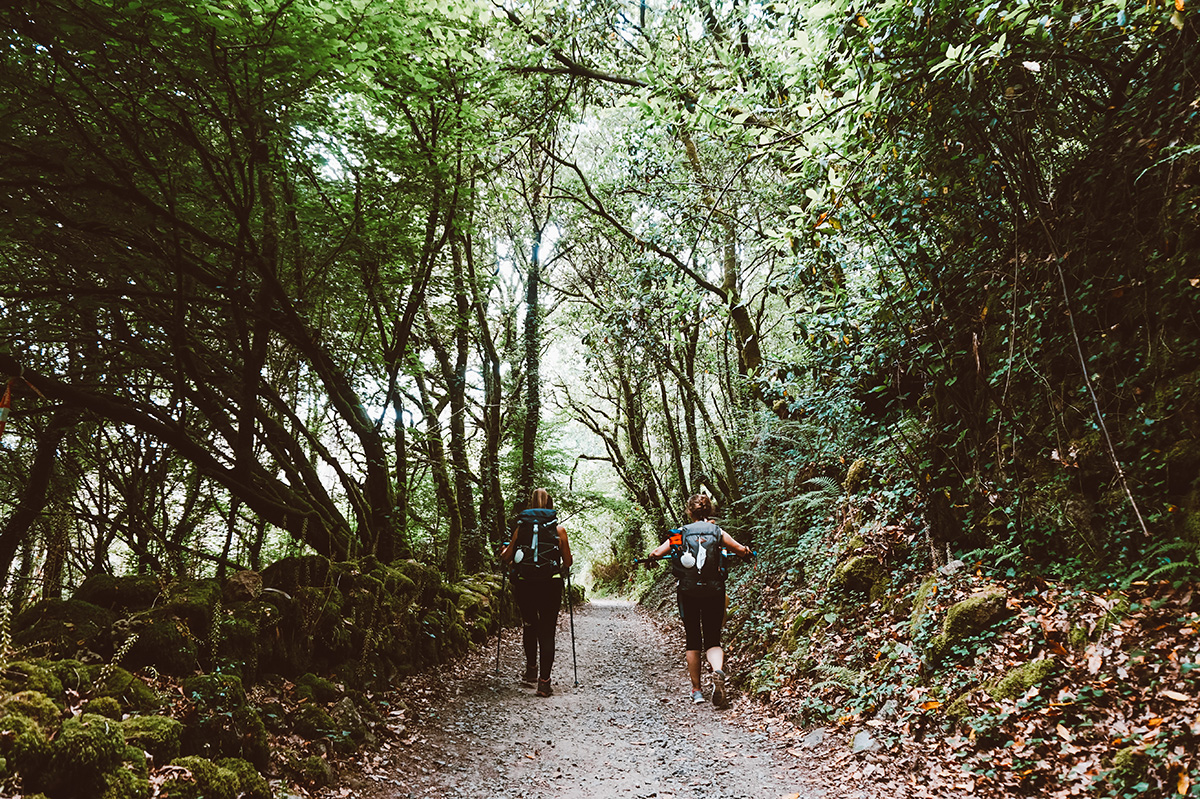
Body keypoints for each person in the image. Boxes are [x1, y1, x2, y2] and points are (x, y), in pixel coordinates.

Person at [646, 494, 751, 707]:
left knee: (693, 639)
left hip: (688, 592)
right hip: (714, 590)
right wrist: (746, 552)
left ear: (689, 512)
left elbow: (657, 552)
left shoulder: (681, 533)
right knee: (713, 639)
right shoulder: (717, 532)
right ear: (709, 511)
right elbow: (740, 550)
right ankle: (718, 671)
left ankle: (697, 691)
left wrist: (651, 557)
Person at [500, 487, 573, 697]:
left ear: (529, 505)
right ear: (550, 504)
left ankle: (531, 670)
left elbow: (507, 558)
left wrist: (505, 550)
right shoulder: (558, 530)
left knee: (530, 625)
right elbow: (567, 562)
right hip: (550, 584)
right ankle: (544, 683)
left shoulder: (520, 528)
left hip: (525, 584)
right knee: (547, 631)